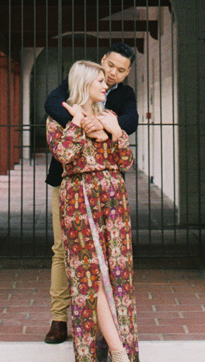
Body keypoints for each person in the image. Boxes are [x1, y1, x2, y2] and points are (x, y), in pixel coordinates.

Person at [43, 44, 138, 346]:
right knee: (65, 250)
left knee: (110, 257)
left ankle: (107, 330)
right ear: (102, 62)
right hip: (69, 181)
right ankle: (59, 319)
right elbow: (52, 103)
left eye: (120, 70)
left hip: (106, 186)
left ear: (127, 72)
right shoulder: (78, 84)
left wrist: (107, 126)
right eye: (110, 66)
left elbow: (131, 122)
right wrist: (84, 121)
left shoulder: (122, 97)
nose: (112, 74)